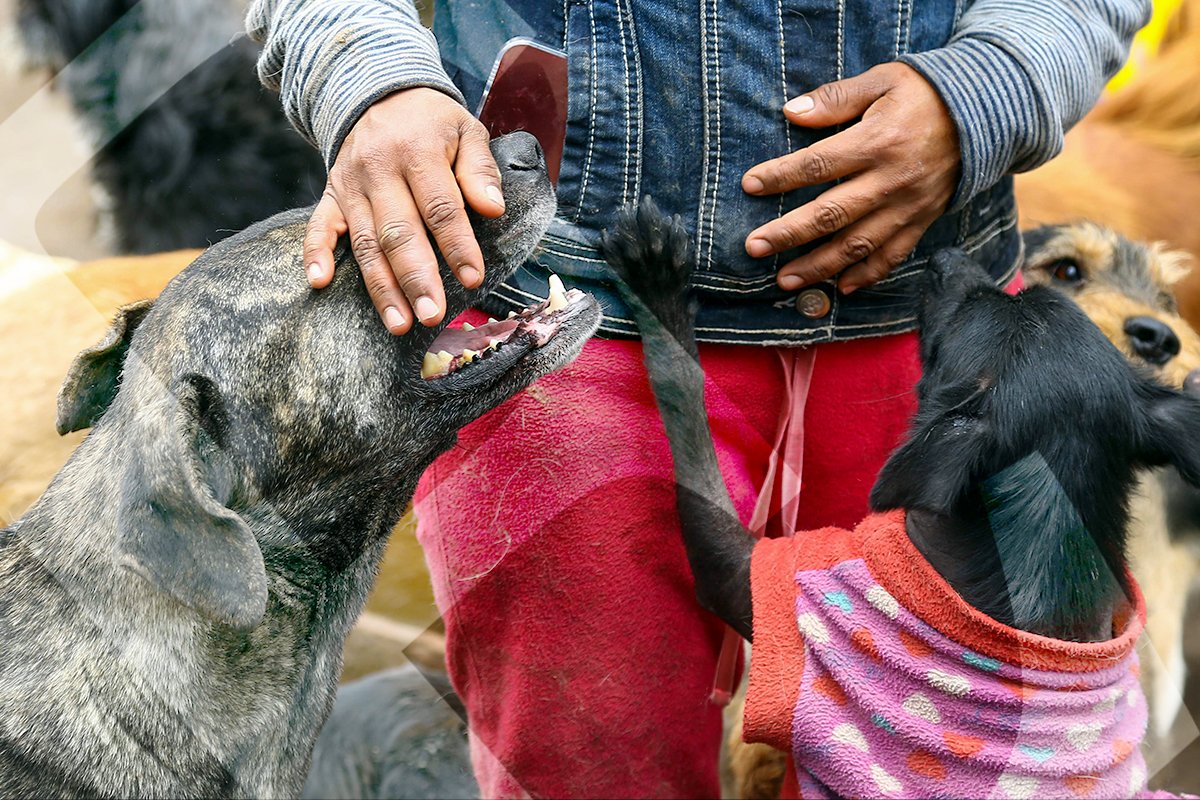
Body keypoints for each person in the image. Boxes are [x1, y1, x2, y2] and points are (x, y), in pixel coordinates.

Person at [246, 1, 1149, 796]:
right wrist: (374, 81)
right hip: (564, 328)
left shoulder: (987, 405)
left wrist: (988, 88)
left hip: (921, 346)